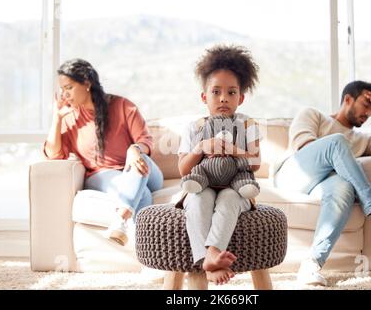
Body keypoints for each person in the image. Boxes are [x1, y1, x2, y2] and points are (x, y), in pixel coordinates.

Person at [273, 80, 371, 286]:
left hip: (322, 185)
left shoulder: (363, 140)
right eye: (366, 105)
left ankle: (312, 265)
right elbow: (304, 146)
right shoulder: (313, 115)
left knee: (344, 189)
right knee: (337, 142)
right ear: (348, 99)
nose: (369, 113)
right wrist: (341, 156)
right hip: (293, 175)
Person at [43, 58, 163, 246]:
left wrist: (134, 149)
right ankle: (147, 250)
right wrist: (57, 119)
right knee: (144, 195)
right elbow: (54, 155)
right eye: (62, 89)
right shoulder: (70, 118)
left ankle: (120, 219)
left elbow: (145, 141)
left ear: (86, 83)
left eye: (69, 87)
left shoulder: (123, 106)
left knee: (141, 161)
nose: (64, 95)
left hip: (141, 169)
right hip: (103, 175)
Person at [178, 45, 261, 285]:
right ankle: (210, 259)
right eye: (216, 91)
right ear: (204, 97)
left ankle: (211, 252)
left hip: (236, 187)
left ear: (241, 98)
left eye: (231, 92)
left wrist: (233, 150)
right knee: (198, 200)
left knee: (228, 199)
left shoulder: (248, 125)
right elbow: (184, 169)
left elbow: (255, 163)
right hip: (202, 185)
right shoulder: (194, 127)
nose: (223, 98)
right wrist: (201, 147)